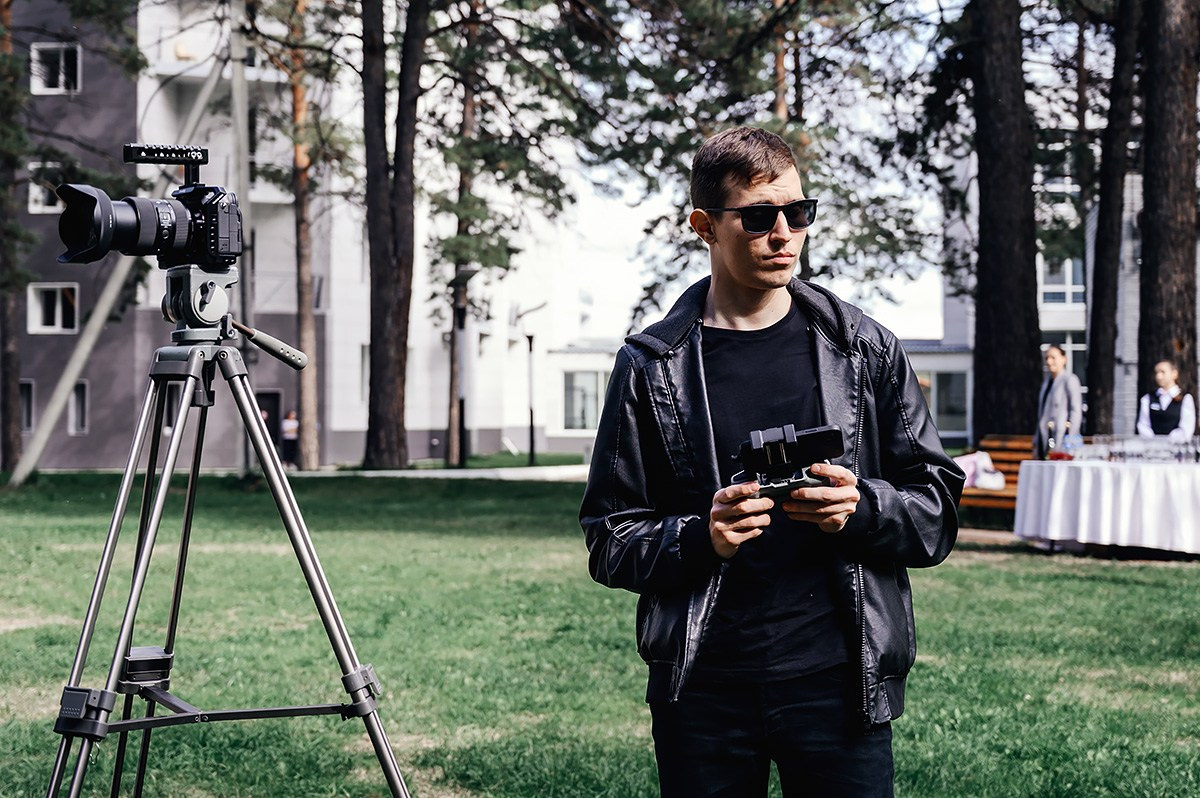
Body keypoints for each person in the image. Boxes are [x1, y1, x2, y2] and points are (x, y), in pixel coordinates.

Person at [579, 127, 963, 798]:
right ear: (704, 226)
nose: (784, 232)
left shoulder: (865, 349)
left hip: (841, 682)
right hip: (704, 689)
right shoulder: (649, 366)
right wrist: (702, 537)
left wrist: (863, 507)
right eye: (758, 217)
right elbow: (610, 538)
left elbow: (937, 509)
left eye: (798, 212)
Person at [1033, 344, 1082, 459]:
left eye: (1053, 358)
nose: (1049, 362)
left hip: (1062, 438)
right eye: (1047, 358)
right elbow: (1042, 414)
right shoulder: (1047, 383)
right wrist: (1036, 440)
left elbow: (1076, 411)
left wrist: (1069, 441)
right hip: (1045, 439)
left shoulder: (1070, 380)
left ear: (1064, 359)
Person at [1136, 359, 1196, 442]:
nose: (1158, 376)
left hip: (1177, 450)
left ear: (1174, 374)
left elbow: (1186, 428)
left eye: (1163, 372)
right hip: (1152, 450)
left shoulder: (1185, 398)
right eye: (1156, 372)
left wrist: (1169, 442)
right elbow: (1143, 425)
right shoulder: (1147, 399)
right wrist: (1155, 443)